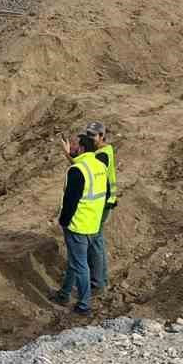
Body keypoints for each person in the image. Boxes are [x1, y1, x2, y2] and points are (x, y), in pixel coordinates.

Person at [50, 133, 107, 315]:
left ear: (82, 148)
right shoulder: (99, 166)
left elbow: (70, 201)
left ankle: (84, 305)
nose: (73, 147)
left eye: (75, 145)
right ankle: (64, 293)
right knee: (75, 261)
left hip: (78, 225)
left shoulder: (77, 170)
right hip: (94, 223)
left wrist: (63, 221)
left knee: (80, 265)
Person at [83, 121, 115, 298]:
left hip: (102, 204)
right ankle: (101, 280)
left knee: (94, 243)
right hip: (104, 202)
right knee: (98, 241)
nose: (90, 138)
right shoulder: (104, 151)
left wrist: (69, 156)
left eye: (92, 135)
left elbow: (87, 171)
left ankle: (97, 284)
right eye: (88, 135)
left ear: (102, 136)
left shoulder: (101, 155)